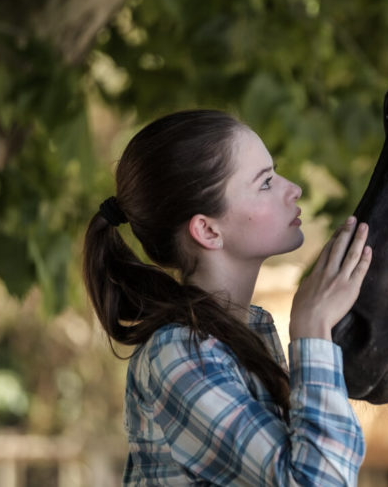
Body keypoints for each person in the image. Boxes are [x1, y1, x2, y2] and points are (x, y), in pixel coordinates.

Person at [82, 109, 370, 485]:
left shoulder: (245, 333)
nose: (293, 189)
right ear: (207, 230)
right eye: (265, 182)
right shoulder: (178, 353)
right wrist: (313, 330)